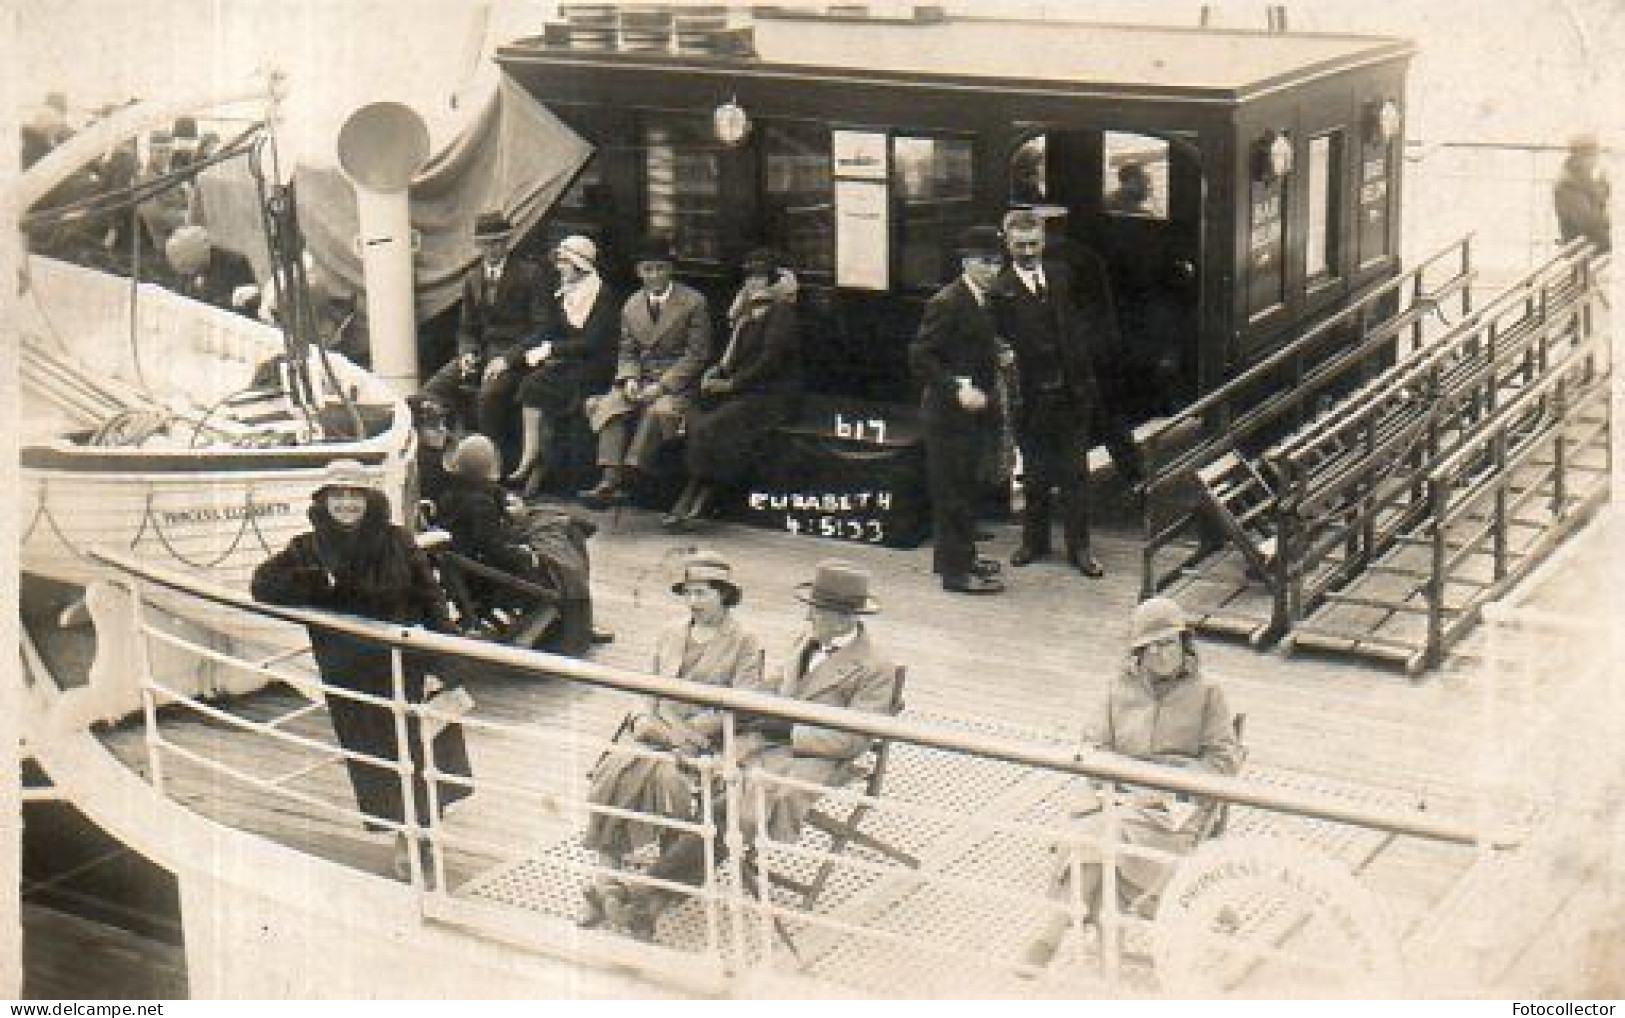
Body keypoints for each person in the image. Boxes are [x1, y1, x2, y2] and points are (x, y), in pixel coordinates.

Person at [250, 459, 475, 879]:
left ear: (370, 499)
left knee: (421, 753)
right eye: (339, 495)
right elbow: (262, 586)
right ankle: (403, 832)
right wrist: (316, 584)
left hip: (404, 667)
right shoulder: (307, 548)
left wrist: (448, 666)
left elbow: (431, 601)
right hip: (349, 673)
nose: (347, 504)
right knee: (378, 762)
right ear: (324, 500)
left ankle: (418, 837)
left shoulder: (397, 541)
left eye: (356, 495)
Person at [1021, 596, 1242, 971]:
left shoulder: (1208, 693)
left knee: (1100, 836)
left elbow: (1223, 761)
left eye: (1169, 643)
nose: (1161, 654)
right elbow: (1093, 749)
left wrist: (1172, 785)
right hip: (1117, 795)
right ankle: (1091, 952)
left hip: (1172, 808)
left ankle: (1051, 935)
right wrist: (1121, 783)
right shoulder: (1116, 689)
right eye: (1150, 646)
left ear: (1184, 644)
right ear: (1137, 651)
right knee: (1099, 832)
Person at [580, 550, 765, 940]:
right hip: (653, 729)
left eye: (703, 593)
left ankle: (651, 894)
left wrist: (688, 731)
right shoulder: (670, 632)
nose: (694, 602)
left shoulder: (745, 642)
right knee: (614, 770)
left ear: (724, 595)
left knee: (669, 780)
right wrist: (642, 717)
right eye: (689, 593)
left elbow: (742, 703)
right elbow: (646, 685)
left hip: (700, 738)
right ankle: (607, 881)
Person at [996, 210, 1107, 577]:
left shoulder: (1062, 276)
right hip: (1030, 398)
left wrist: (1084, 372)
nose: (1027, 252)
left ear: (1043, 243)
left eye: (1033, 244)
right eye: (1019, 246)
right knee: (1036, 474)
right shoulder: (1001, 288)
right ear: (1007, 244)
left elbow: (1082, 323)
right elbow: (993, 340)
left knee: (1075, 473)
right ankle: (1034, 542)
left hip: (1071, 394)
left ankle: (1080, 548)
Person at [665, 248, 802, 530]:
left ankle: (699, 491)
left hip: (771, 393)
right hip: (744, 387)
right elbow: (735, 354)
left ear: (773, 281)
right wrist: (718, 371)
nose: (753, 284)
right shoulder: (743, 311)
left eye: (761, 278)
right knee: (694, 415)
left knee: (713, 425)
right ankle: (700, 485)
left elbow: (769, 360)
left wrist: (730, 384)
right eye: (750, 278)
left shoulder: (780, 311)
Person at [435, 434, 602, 654]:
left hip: (471, 571)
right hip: (489, 577)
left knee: (562, 532)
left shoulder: (452, 494)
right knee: (565, 563)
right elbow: (493, 547)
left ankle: (579, 617)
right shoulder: (480, 504)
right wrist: (526, 555)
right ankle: (555, 628)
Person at [910, 225, 1008, 595]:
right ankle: (956, 574)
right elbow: (920, 356)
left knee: (965, 489)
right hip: (948, 416)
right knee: (953, 492)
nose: (993, 270)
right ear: (966, 262)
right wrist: (955, 388)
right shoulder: (948, 301)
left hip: (969, 415)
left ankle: (961, 556)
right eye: (986, 262)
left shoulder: (981, 299)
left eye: (998, 263)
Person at [579, 235, 711, 508]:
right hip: (641, 378)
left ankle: (630, 473)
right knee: (611, 405)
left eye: (660, 268)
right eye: (648, 269)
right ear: (639, 272)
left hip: (678, 383)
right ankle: (609, 478)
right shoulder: (632, 304)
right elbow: (627, 351)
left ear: (671, 269)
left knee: (658, 412)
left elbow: (697, 355)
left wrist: (662, 386)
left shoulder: (694, 302)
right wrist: (629, 378)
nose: (654, 276)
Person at [421, 211, 550, 445]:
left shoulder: (530, 274)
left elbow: (541, 329)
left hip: (515, 357)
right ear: (478, 246)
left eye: (498, 242)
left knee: (488, 396)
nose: (492, 249)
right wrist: (467, 353)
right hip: (482, 353)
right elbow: (466, 328)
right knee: (429, 392)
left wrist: (508, 360)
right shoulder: (473, 278)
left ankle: (489, 464)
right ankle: (446, 449)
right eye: (486, 244)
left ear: (508, 242)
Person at [508, 234, 619, 498]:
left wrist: (551, 349)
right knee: (532, 383)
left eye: (564, 262)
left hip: (597, 367)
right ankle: (531, 455)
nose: (559, 267)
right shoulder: (566, 293)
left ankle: (543, 463)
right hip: (572, 362)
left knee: (553, 388)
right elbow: (550, 328)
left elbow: (592, 343)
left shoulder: (601, 296)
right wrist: (521, 352)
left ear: (580, 266)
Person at [162, 224, 261, 316]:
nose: (187, 273)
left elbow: (247, 305)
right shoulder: (188, 270)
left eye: (186, 266)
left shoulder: (234, 264)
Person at [1553, 134, 1610, 254]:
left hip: (1594, 244)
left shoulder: (1586, 179)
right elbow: (1587, 222)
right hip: (1582, 249)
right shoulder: (1567, 184)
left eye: (1595, 155)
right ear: (1576, 156)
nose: (1595, 160)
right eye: (1590, 155)